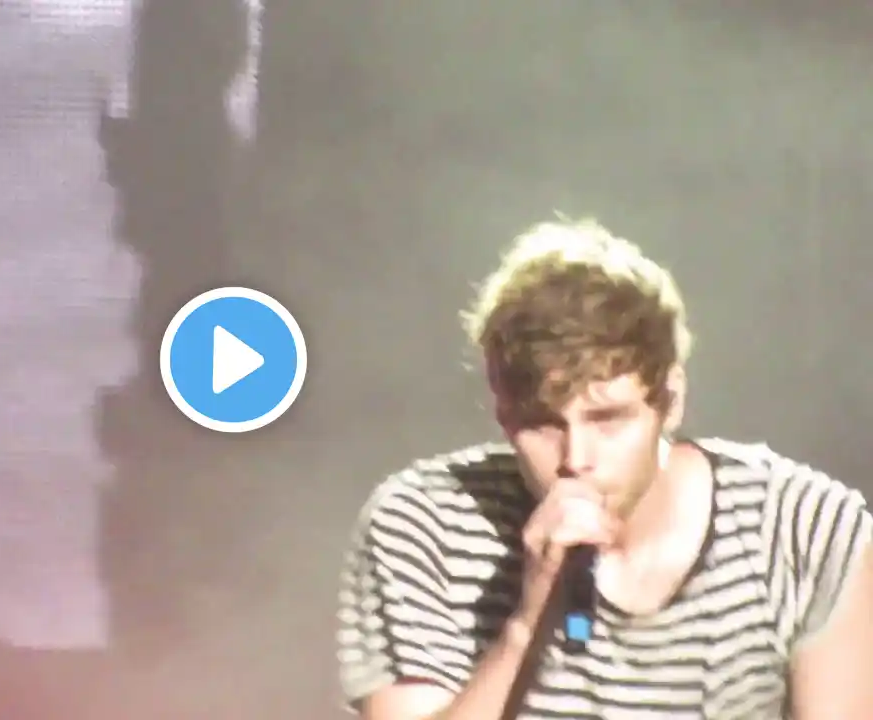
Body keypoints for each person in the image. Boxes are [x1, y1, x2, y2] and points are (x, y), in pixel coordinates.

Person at [336, 218, 872, 719]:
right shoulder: (423, 527)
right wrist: (525, 624)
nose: (576, 459)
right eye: (543, 424)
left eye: (607, 419)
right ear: (503, 414)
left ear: (671, 401)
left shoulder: (802, 530)